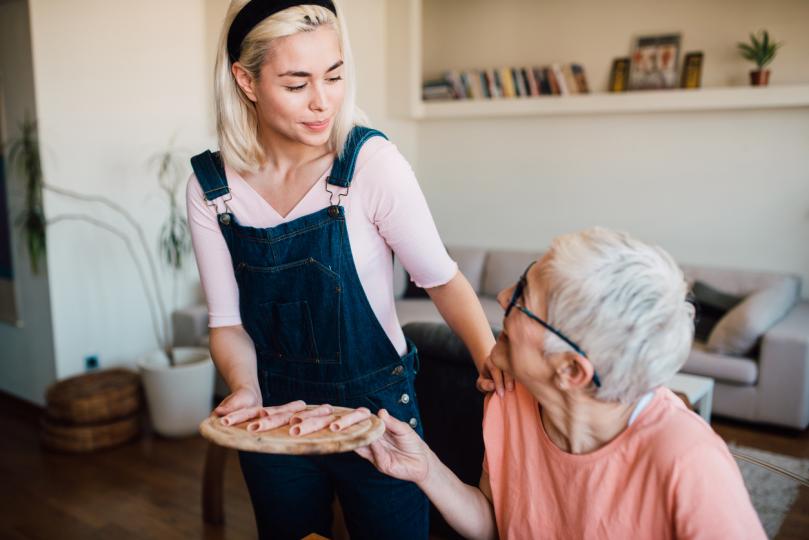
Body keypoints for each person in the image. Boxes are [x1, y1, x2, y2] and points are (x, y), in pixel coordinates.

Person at [185, 1, 503, 539]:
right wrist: (245, 389)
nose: (322, 102)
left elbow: (440, 279)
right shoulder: (211, 189)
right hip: (276, 416)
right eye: (296, 83)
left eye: (333, 76)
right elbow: (228, 323)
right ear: (245, 80)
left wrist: (489, 363)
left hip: (380, 415)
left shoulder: (370, 164)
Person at [356, 227, 767, 540]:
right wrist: (425, 467)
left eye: (521, 299)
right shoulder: (510, 396)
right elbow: (494, 523)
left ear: (572, 371)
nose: (500, 298)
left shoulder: (688, 461)